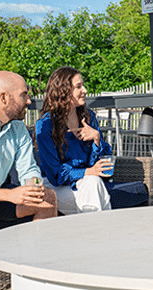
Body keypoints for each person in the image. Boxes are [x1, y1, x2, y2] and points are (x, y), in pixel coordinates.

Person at [0, 71, 58, 290]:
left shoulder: (18, 128)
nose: (29, 101)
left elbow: (29, 169)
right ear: (3, 97)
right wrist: (11, 196)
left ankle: (36, 276)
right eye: (24, 94)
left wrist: (32, 187)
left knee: (47, 199)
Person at [35, 66, 114, 214]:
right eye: (78, 86)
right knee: (93, 185)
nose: (85, 90)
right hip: (55, 187)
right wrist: (88, 172)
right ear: (64, 91)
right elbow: (55, 175)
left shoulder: (88, 117)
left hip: (86, 182)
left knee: (93, 183)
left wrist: (96, 138)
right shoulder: (45, 125)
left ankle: (93, 234)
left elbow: (99, 162)